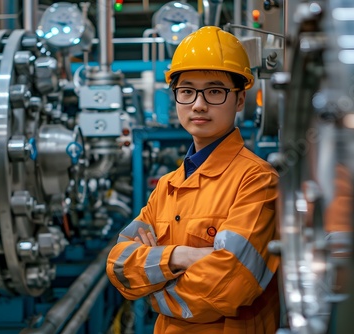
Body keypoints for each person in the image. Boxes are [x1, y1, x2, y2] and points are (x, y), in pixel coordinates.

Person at [106, 26, 280, 333]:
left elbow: (228, 288)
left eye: (214, 91)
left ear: (240, 100)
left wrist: (153, 283)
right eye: (186, 91)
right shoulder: (167, 185)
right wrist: (182, 255)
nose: (198, 104)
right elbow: (119, 265)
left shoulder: (257, 181)